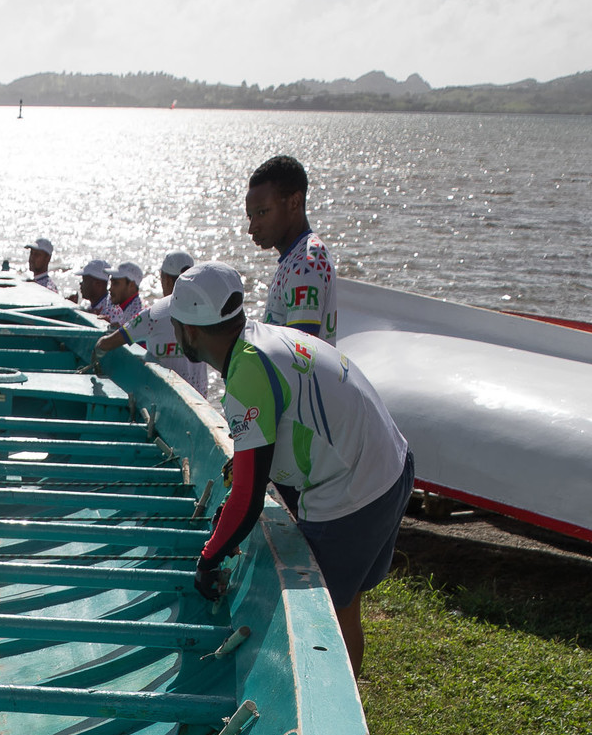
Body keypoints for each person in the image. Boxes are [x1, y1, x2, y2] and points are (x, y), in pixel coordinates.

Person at [166, 261, 411, 674]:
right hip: (392, 464)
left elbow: (247, 499)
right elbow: (271, 446)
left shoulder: (246, 373)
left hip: (354, 493)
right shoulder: (263, 339)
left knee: (319, 620)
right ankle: (351, 689)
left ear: (189, 331)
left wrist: (208, 561)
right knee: (345, 603)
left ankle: (332, 706)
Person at [245, 154, 337, 342]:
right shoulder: (296, 258)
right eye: (250, 216)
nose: (252, 227)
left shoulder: (305, 265)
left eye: (262, 212)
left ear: (294, 202)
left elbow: (301, 357)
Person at [104, 261, 145, 329]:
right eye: (111, 283)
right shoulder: (124, 307)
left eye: (116, 284)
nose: (110, 289)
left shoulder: (139, 315)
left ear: (131, 285)